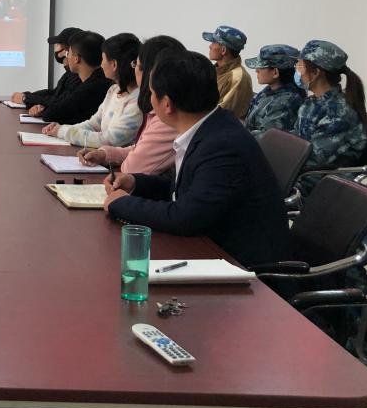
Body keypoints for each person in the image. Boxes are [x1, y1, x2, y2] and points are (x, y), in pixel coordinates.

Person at [105, 51, 289, 268]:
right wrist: (136, 183)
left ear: (167, 104)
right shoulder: (211, 126)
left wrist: (122, 204)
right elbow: (188, 189)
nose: (150, 100)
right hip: (212, 249)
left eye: (152, 93)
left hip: (242, 268)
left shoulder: (222, 145)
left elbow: (187, 217)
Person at [79, 35, 185, 176]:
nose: (134, 69)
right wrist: (104, 154)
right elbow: (140, 148)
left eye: (136, 64)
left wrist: (61, 131)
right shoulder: (115, 91)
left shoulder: (166, 117)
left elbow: (132, 167)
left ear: (150, 74)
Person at [43, 33, 142, 148]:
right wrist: (62, 128)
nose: (101, 64)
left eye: (103, 59)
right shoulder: (113, 90)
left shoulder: (136, 101)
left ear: (114, 64)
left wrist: (63, 132)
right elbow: (93, 124)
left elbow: (110, 140)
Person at [292, 40, 367, 171]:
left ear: (316, 73)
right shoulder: (312, 102)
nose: (298, 73)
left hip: (316, 178)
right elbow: (295, 136)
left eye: (301, 67)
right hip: (298, 170)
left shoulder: (337, 113)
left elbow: (313, 159)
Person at [31, 30, 112, 125]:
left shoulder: (93, 86)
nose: (67, 57)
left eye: (68, 53)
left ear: (76, 58)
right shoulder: (97, 79)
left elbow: (51, 114)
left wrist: (44, 109)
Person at [11, 26, 82, 113]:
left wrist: (25, 98)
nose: (55, 48)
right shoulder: (69, 74)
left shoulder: (79, 76)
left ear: (67, 50)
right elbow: (54, 93)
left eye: (58, 44)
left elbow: (58, 102)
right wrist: (26, 95)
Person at [243, 44, 306, 135]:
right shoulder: (269, 91)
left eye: (261, 67)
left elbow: (268, 138)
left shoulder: (284, 103)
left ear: (275, 72)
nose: (257, 70)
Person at [203, 24, 253, 119]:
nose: (210, 46)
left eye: (214, 42)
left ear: (223, 50)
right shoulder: (213, 71)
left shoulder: (238, 77)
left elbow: (221, 113)